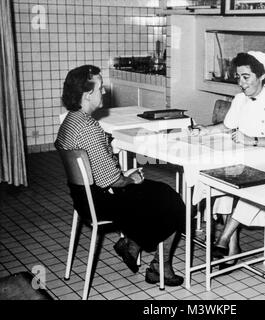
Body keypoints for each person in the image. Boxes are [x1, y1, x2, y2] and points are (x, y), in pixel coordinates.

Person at [55, 65, 185, 286]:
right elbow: (110, 180)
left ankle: (133, 245)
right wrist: (128, 178)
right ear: (87, 95)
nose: (104, 92)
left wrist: (123, 174)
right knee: (171, 199)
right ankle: (157, 267)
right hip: (102, 201)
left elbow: (97, 169)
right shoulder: (89, 126)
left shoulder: (69, 121)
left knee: (154, 192)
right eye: (101, 88)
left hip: (84, 199)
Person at [190, 51, 265, 267]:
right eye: (238, 77)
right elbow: (227, 126)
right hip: (246, 157)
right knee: (221, 180)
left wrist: (252, 140)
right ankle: (234, 248)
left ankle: (224, 238)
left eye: (246, 77)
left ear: (262, 76)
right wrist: (205, 130)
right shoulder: (239, 99)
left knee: (252, 186)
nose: (241, 83)